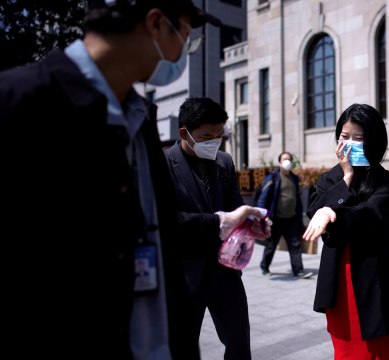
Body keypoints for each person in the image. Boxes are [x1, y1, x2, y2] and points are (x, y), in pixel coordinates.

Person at [0, 0, 238, 358]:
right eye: (185, 38)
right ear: (156, 24)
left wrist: (223, 221)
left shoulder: (139, 117)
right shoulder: (18, 101)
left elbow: (157, 225)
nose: (182, 54)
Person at [302, 103, 389, 359]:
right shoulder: (330, 179)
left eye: (359, 138)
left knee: (386, 350)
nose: (350, 143)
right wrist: (346, 178)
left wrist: (332, 211)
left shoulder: (388, 182)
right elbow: (314, 209)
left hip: (378, 280)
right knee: (347, 350)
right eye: (345, 137)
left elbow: (371, 215)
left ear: (374, 141)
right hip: (339, 280)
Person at [164, 96, 271, 360]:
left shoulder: (224, 161)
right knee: (183, 347)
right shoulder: (163, 164)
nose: (213, 142)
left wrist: (253, 224)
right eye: (206, 136)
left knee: (238, 342)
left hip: (225, 270)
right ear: (184, 133)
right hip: (185, 272)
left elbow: (235, 206)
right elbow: (167, 221)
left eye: (219, 135)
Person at [257, 151, 314, 279]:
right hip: (276, 219)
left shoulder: (294, 178)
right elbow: (263, 198)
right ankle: (264, 266)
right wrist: (262, 216)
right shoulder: (273, 177)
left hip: (292, 218)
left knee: (295, 245)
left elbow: (297, 198)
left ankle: (298, 270)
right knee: (271, 245)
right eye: (284, 159)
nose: (287, 161)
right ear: (279, 162)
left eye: (289, 159)